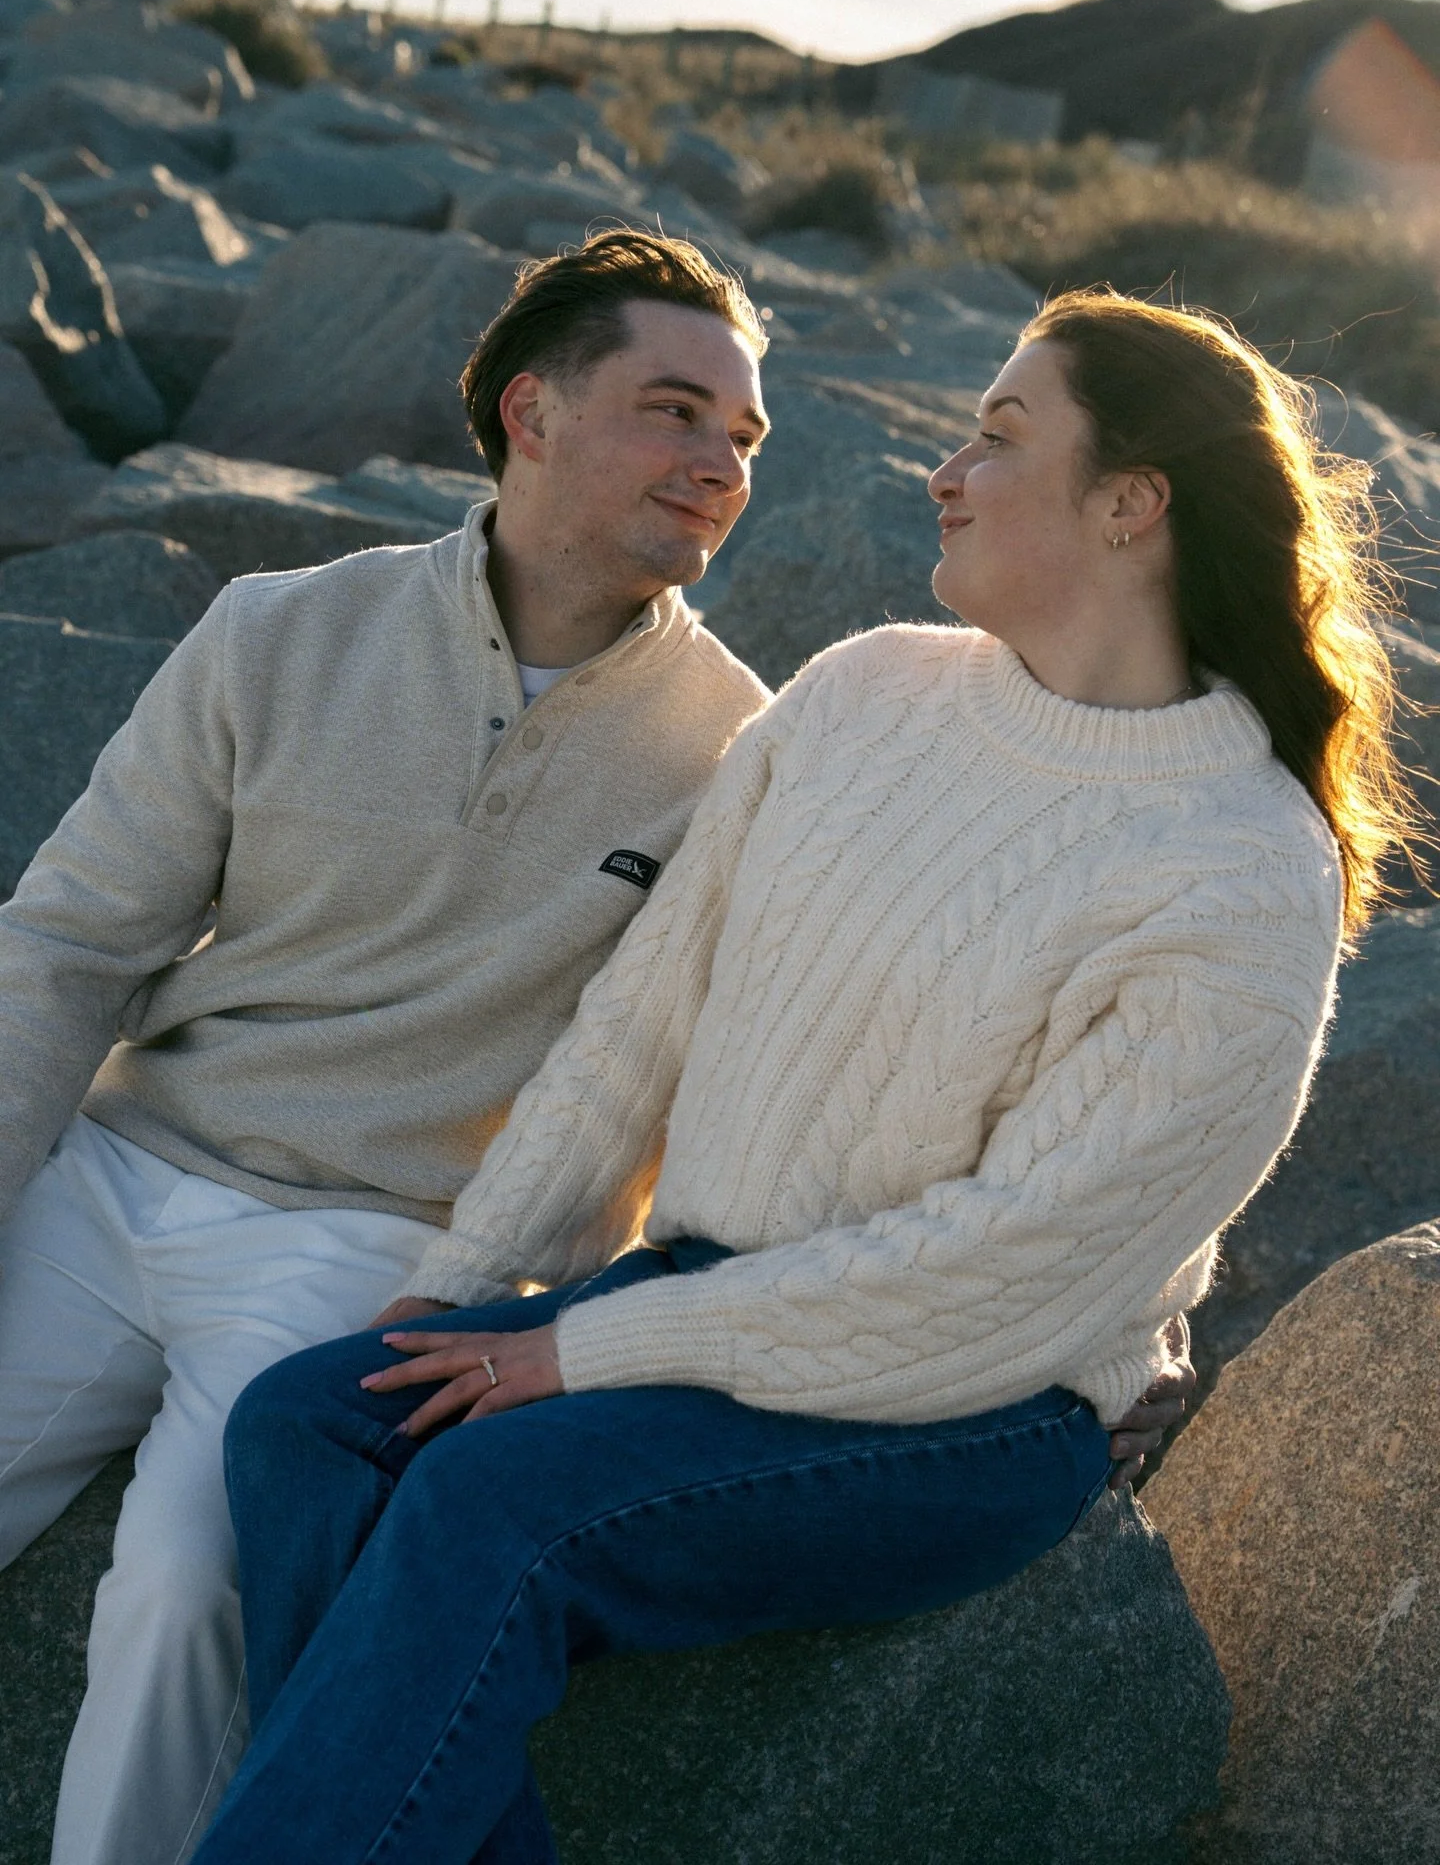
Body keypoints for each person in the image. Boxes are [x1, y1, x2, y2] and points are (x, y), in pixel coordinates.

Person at [187, 287, 1417, 1865]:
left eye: (999, 435)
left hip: (968, 1407)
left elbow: (1006, 1275)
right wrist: (476, 1291)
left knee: (489, 1507)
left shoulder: (1242, 866)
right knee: (315, 1424)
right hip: (721, 1301)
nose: (946, 467)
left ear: (1132, 504)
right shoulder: (864, 692)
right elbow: (640, 1024)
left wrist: (582, 1356)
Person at [0, 232, 776, 1865]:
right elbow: (72, 938)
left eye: (744, 438)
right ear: (532, 414)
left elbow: (705, 1083)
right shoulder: (275, 628)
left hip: (381, 1240)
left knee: (181, 1587)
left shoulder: (744, 752)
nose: (719, 464)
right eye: (675, 410)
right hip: (127, 1164)